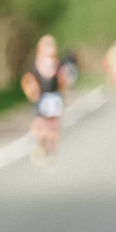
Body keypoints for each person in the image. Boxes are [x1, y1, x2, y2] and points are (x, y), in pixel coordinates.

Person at [23, 35, 71, 167]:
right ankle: (43, 147)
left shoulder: (58, 64)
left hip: (54, 99)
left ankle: (52, 154)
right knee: (39, 128)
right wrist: (31, 90)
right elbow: (27, 80)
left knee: (54, 128)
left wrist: (63, 78)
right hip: (41, 99)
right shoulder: (34, 64)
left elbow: (63, 83)